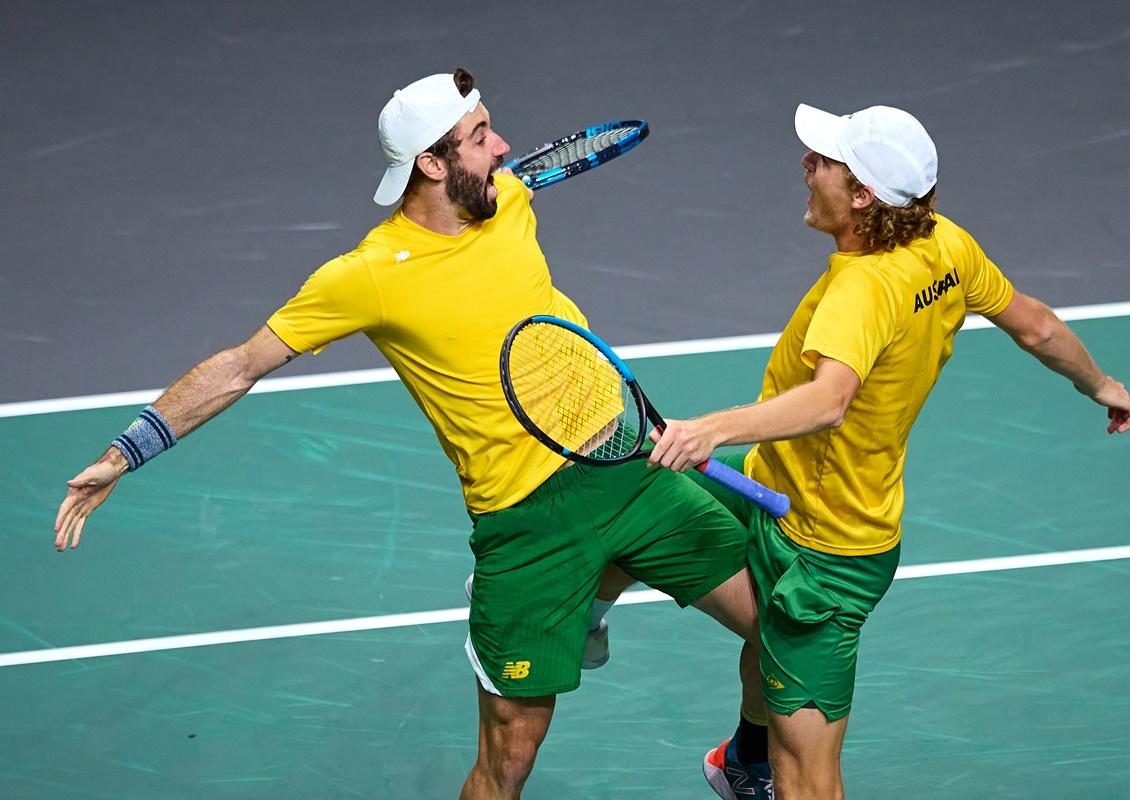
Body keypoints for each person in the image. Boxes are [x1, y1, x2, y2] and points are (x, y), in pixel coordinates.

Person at [53, 69, 768, 800]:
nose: (504, 146)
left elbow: (507, 190)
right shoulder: (364, 276)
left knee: (781, 632)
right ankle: (587, 590)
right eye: (481, 136)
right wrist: (123, 455)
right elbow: (239, 367)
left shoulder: (509, 198)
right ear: (430, 163)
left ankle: (744, 760)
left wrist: (491, 170)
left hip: (628, 462)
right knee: (511, 754)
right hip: (528, 522)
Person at [647, 102, 1130, 799]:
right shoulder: (943, 244)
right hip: (772, 488)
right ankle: (733, 750)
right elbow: (1036, 327)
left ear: (861, 196)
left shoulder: (861, 289)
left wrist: (709, 429)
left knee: (809, 781)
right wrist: (1103, 385)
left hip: (822, 557)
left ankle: (754, 762)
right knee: (626, 490)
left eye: (822, 162)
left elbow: (829, 401)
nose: (805, 166)